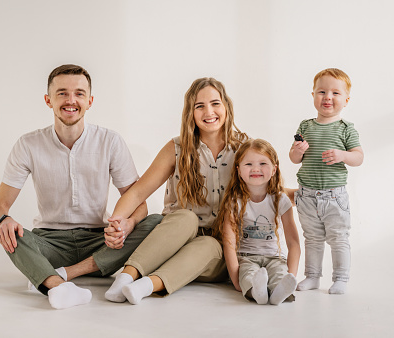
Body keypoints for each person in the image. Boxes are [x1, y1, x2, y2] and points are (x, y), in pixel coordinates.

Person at [0, 64, 160, 309]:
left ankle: (60, 275)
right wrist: (4, 220)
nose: (71, 100)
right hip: (50, 244)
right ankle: (60, 288)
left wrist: (127, 224)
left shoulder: (110, 141)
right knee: (10, 233)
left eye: (79, 93)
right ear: (48, 100)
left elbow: (138, 202)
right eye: (62, 93)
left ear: (90, 101)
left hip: (100, 244)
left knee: (155, 222)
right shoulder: (28, 144)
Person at [102, 77, 248, 305]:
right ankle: (124, 278)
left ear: (226, 106)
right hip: (170, 243)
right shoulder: (177, 148)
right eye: (199, 106)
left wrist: (307, 193)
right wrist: (117, 223)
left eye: (215, 103)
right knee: (185, 217)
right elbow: (138, 192)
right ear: (190, 112)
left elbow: (271, 189)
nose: (209, 111)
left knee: (210, 244)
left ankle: (145, 286)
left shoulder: (243, 149)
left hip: (214, 256)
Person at [289, 68, 364, 295]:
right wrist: (297, 150)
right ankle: (312, 276)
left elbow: (359, 157)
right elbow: (294, 159)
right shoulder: (306, 126)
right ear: (313, 95)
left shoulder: (345, 128)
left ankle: (341, 278)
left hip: (334, 196)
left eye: (335, 93)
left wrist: (343, 155)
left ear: (346, 100)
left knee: (339, 238)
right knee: (312, 238)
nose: (327, 97)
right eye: (322, 92)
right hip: (307, 195)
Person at [216, 139, 300, 305]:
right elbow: (229, 243)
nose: (255, 169)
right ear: (239, 170)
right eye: (248, 164)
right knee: (249, 275)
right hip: (247, 257)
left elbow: (293, 243)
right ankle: (257, 292)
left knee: (279, 274)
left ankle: (278, 293)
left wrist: (292, 275)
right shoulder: (234, 201)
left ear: (274, 169)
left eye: (263, 163)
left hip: (276, 257)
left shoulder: (281, 200)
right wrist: (236, 281)